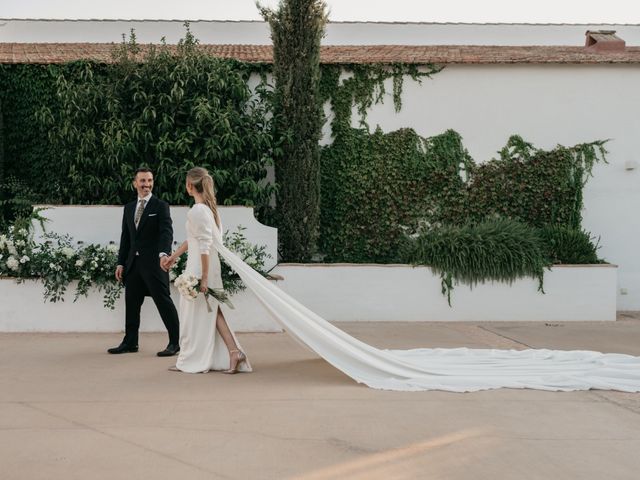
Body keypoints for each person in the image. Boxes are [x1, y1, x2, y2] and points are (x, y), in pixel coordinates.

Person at [163, 167, 251, 374]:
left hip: (200, 268)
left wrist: (203, 278)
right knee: (210, 311)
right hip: (201, 266)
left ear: (190, 186)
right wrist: (174, 256)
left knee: (193, 313)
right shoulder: (207, 210)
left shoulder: (198, 210)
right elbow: (193, 238)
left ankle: (191, 358)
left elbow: (204, 244)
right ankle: (232, 352)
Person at [108, 167, 180, 357]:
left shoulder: (160, 206)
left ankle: (175, 342)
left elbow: (166, 232)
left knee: (164, 302)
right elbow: (126, 237)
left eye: (149, 180)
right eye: (142, 181)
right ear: (135, 183)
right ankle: (130, 342)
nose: (146, 184)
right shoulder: (129, 207)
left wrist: (164, 253)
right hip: (133, 265)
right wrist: (121, 263)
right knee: (131, 304)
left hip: (155, 265)